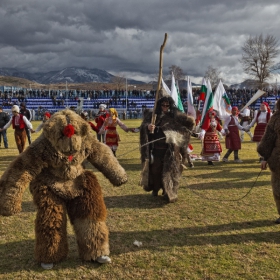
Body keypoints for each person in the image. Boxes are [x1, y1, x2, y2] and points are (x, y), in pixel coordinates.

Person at [139, 96, 195, 202]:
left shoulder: (175, 117)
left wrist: (190, 122)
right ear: (160, 105)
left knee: (169, 170)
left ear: (170, 106)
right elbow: (143, 126)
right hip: (156, 149)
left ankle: (167, 190)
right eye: (163, 105)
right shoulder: (153, 116)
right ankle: (155, 189)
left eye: (167, 105)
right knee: (156, 170)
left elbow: (187, 125)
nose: (165, 107)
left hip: (170, 150)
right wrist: (148, 127)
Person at [258, 99, 280, 224]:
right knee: (278, 189)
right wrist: (264, 158)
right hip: (278, 160)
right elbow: (268, 140)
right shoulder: (276, 118)